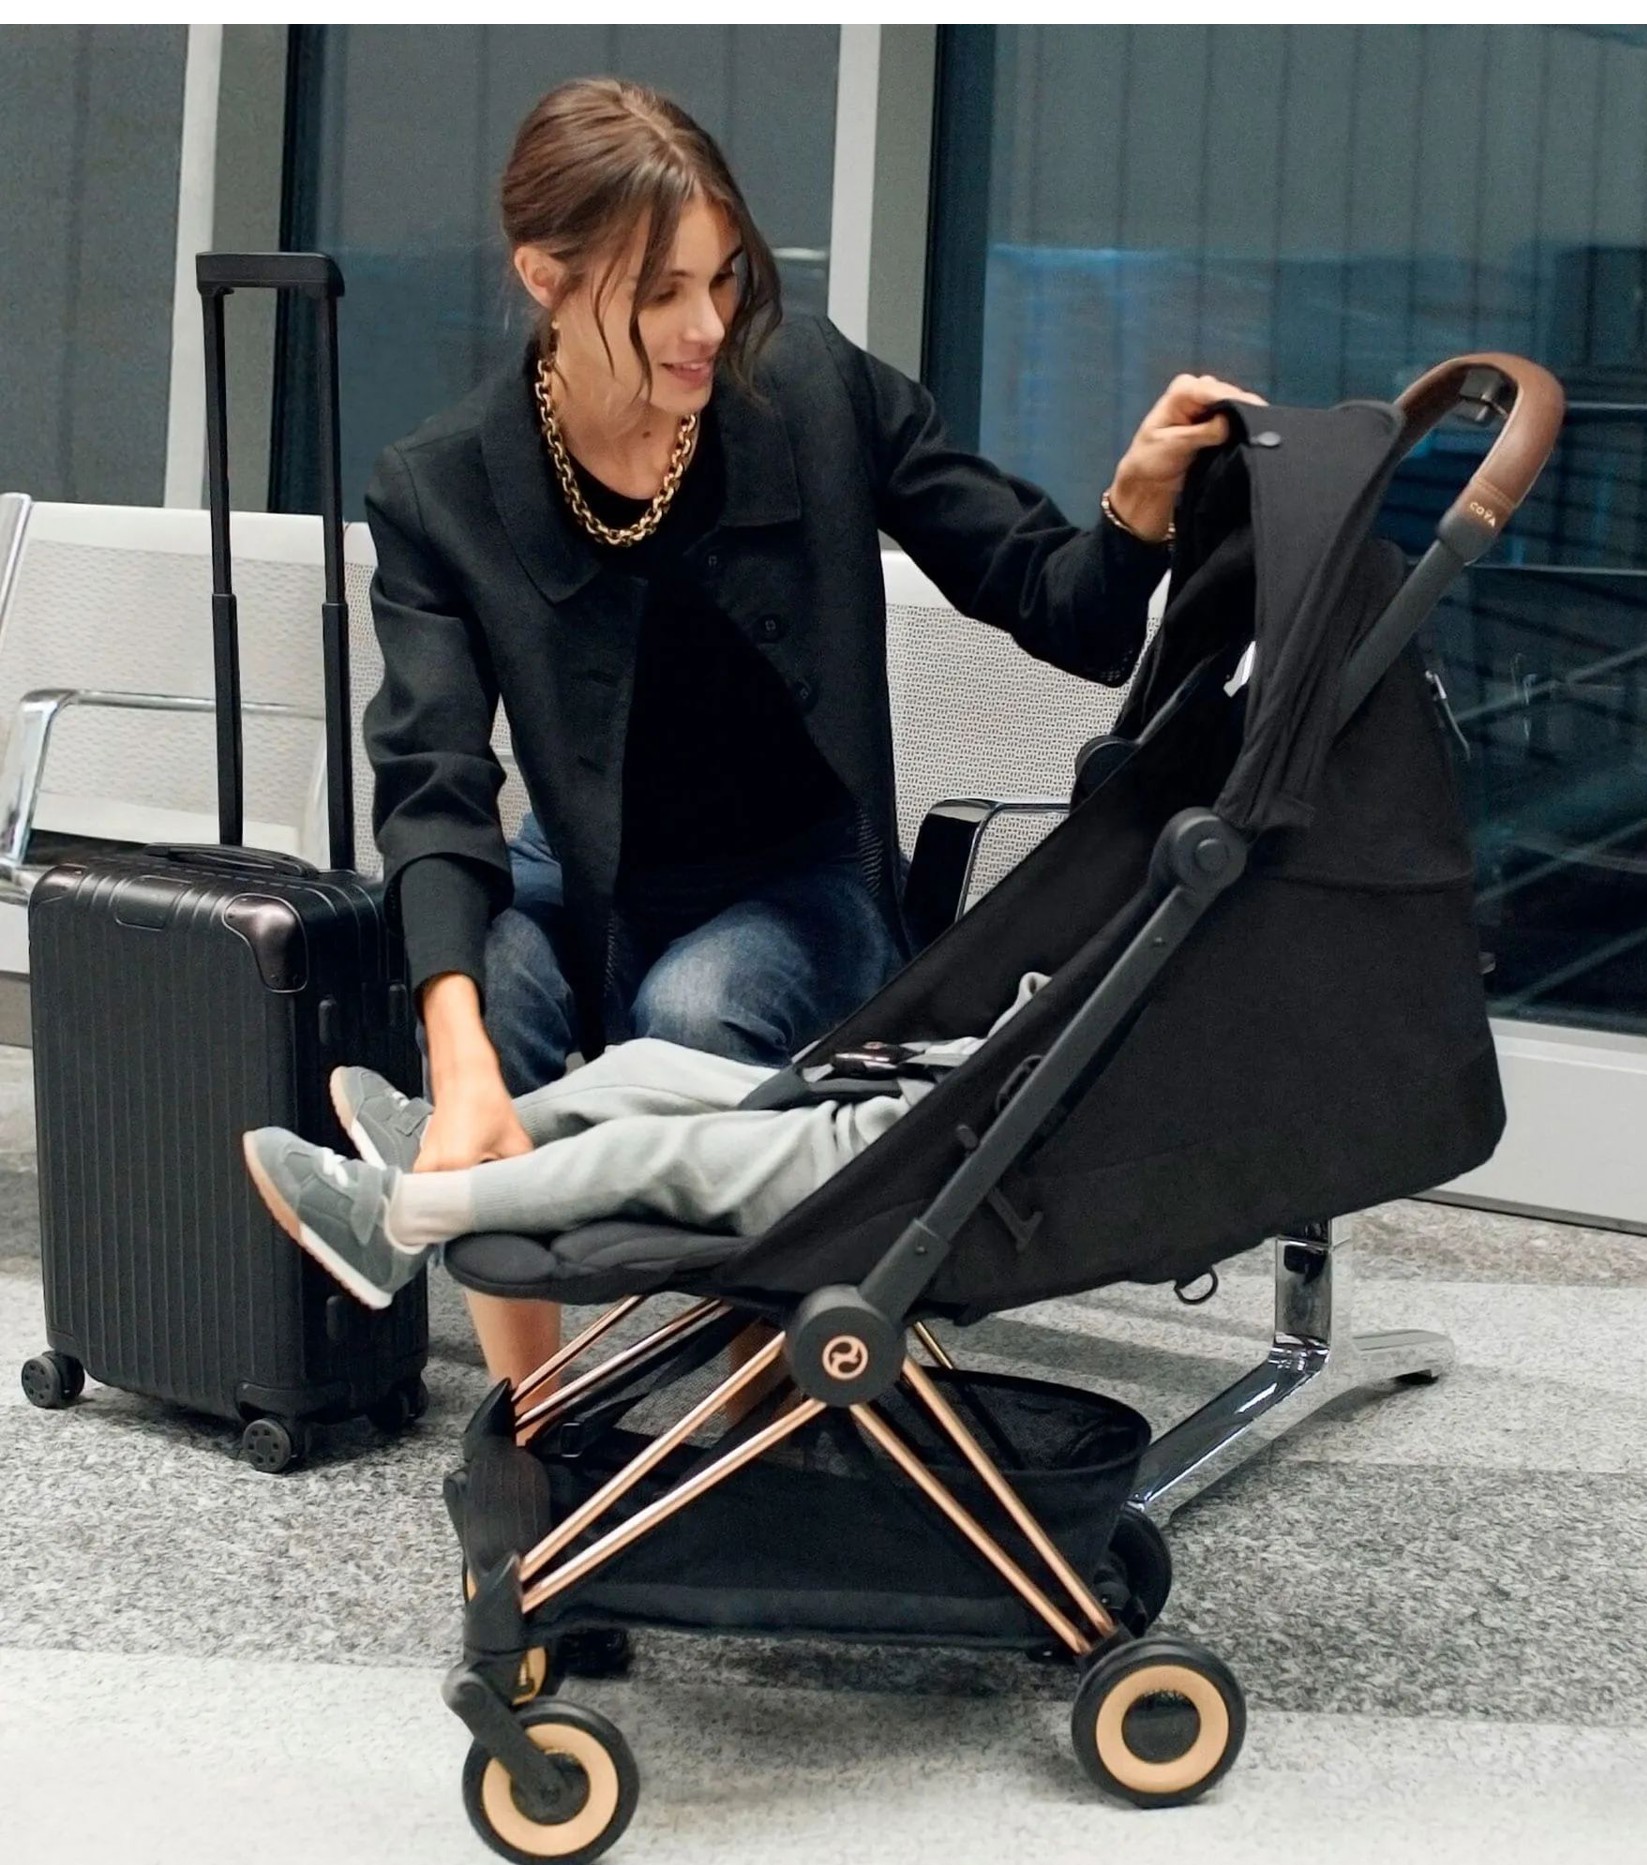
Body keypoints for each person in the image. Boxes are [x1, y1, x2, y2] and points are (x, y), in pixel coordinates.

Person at [363, 75, 1261, 1392]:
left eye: (724, 277)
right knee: (482, 1004)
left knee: (695, 1007)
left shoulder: (814, 389)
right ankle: (531, 1415)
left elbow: (1049, 596)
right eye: (660, 292)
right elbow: (430, 781)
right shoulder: (441, 484)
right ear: (545, 280)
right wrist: (459, 1060)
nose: (708, 326)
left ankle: (744, 1384)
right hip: (582, 870)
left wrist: (1131, 511)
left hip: (798, 877)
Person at [239, 973, 1051, 1309]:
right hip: (939, 1090)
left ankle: (401, 1218)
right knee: (641, 1067)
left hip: (928, 1163)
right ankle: (429, 1143)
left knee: (654, 1151)